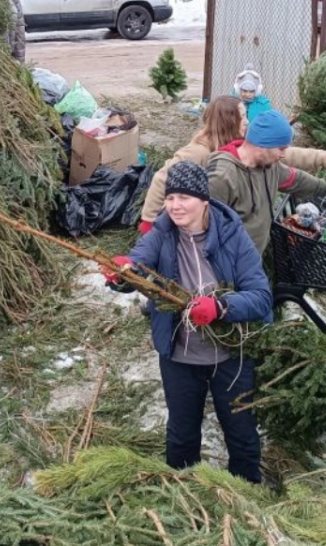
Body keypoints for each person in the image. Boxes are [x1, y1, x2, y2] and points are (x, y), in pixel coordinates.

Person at [105, 161, 272, 483]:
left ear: (204, 200)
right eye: (170, 198)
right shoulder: (163, 232)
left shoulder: (233, 236)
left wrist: (222, 306)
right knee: (181, 433)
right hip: (180, 354)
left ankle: (246, 489)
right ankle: (183, 494)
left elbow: (261, 296)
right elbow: (138, 264)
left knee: (240, 429)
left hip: (230, 354)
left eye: (184, 197)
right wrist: (122, 274)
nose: (175, 205)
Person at [139, 97, 326, 234]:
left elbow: (282, 154)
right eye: (243, 117)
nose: (247, 121)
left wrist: (324, 158)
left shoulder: (248, 152)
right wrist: (150, 222)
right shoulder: (201, 153)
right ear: (229, 121)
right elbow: (161, 180)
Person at [208, 110, 326, 255]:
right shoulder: (223, 176)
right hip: (228, 266)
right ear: (262, 145)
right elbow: (203, 229)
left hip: (251, 259)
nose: (284, 154)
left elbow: (297, 179)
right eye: (281, 148)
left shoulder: (270, 167)